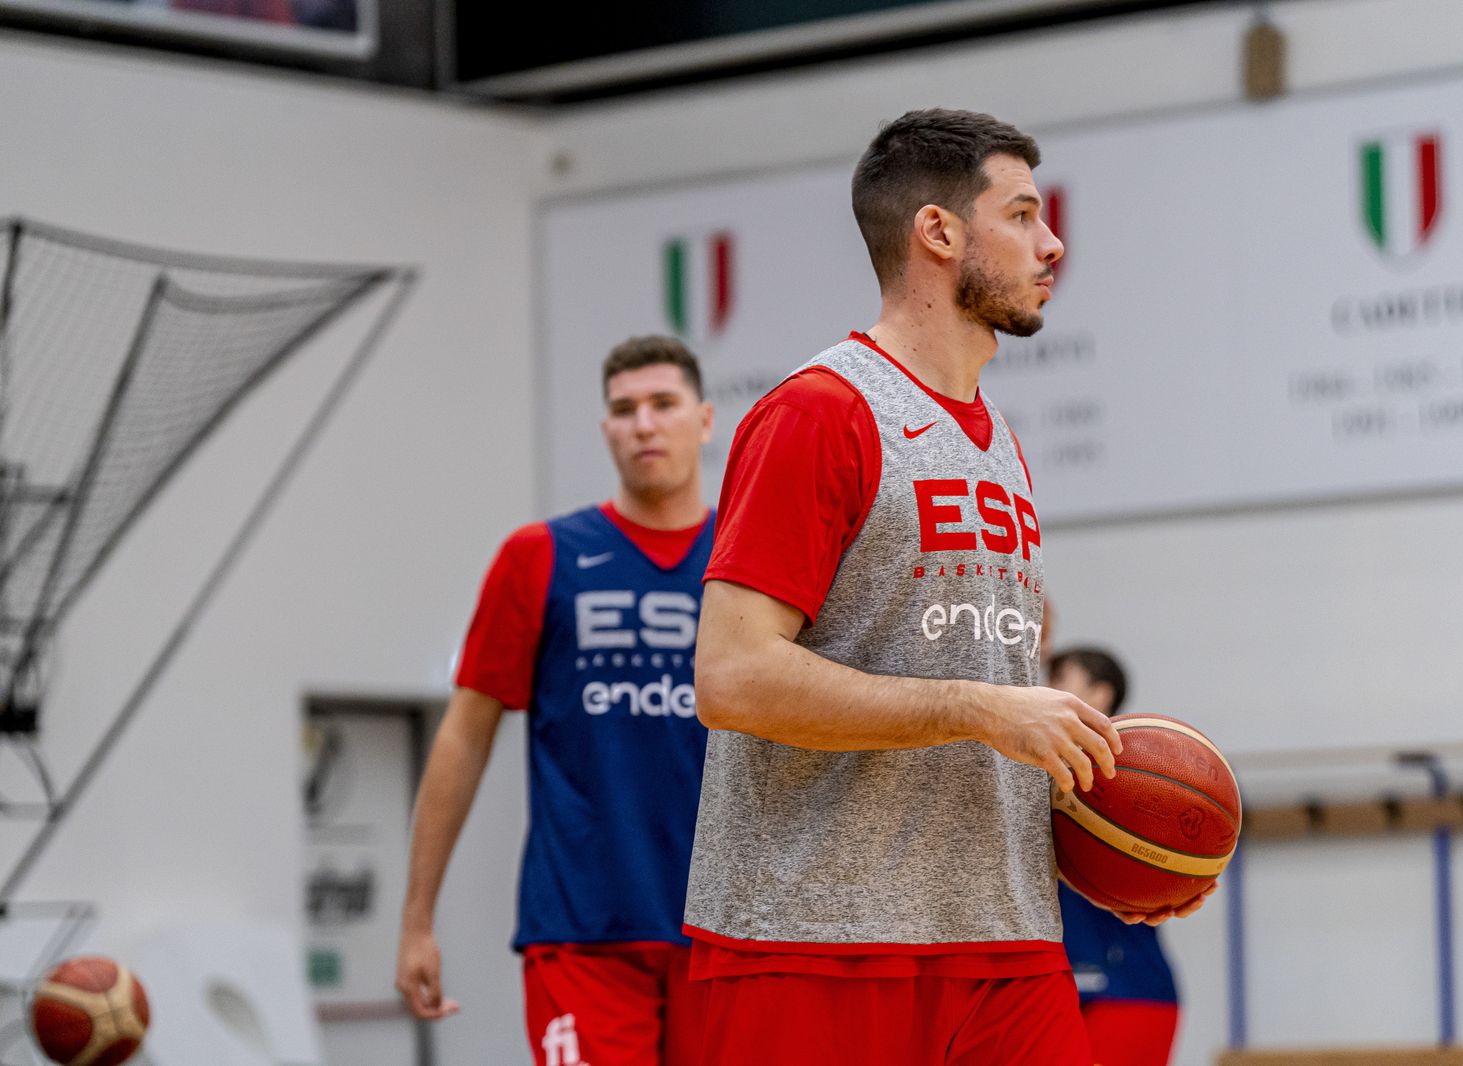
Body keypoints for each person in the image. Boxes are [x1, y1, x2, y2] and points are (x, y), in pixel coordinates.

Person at [685, 108, 1212, 1066]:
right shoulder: (819, 412)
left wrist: (1115, 837)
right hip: (814, 944)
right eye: (1022, 215)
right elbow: (730, 677)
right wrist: (976, 709)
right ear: (939, 232)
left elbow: (982, 709)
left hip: (1007, 943)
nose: (1052, 244)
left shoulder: (998, 440)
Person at [395, 335, 715, 1066]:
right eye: (623, 409)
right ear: (605, 428)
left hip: (726, 934)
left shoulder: (746, 558)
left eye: (663, 404)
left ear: (704, 419)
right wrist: (416, 920)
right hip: (581, 931)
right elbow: (464, 737)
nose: (643, 424)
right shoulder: (540, 556)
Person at [1050, 646, 1182, 1066]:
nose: (1046, 690)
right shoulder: (1040, 770)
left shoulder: (1132, 777)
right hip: (1065, 987)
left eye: (1060, 681)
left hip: (1130, 989)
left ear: (1101, 694)